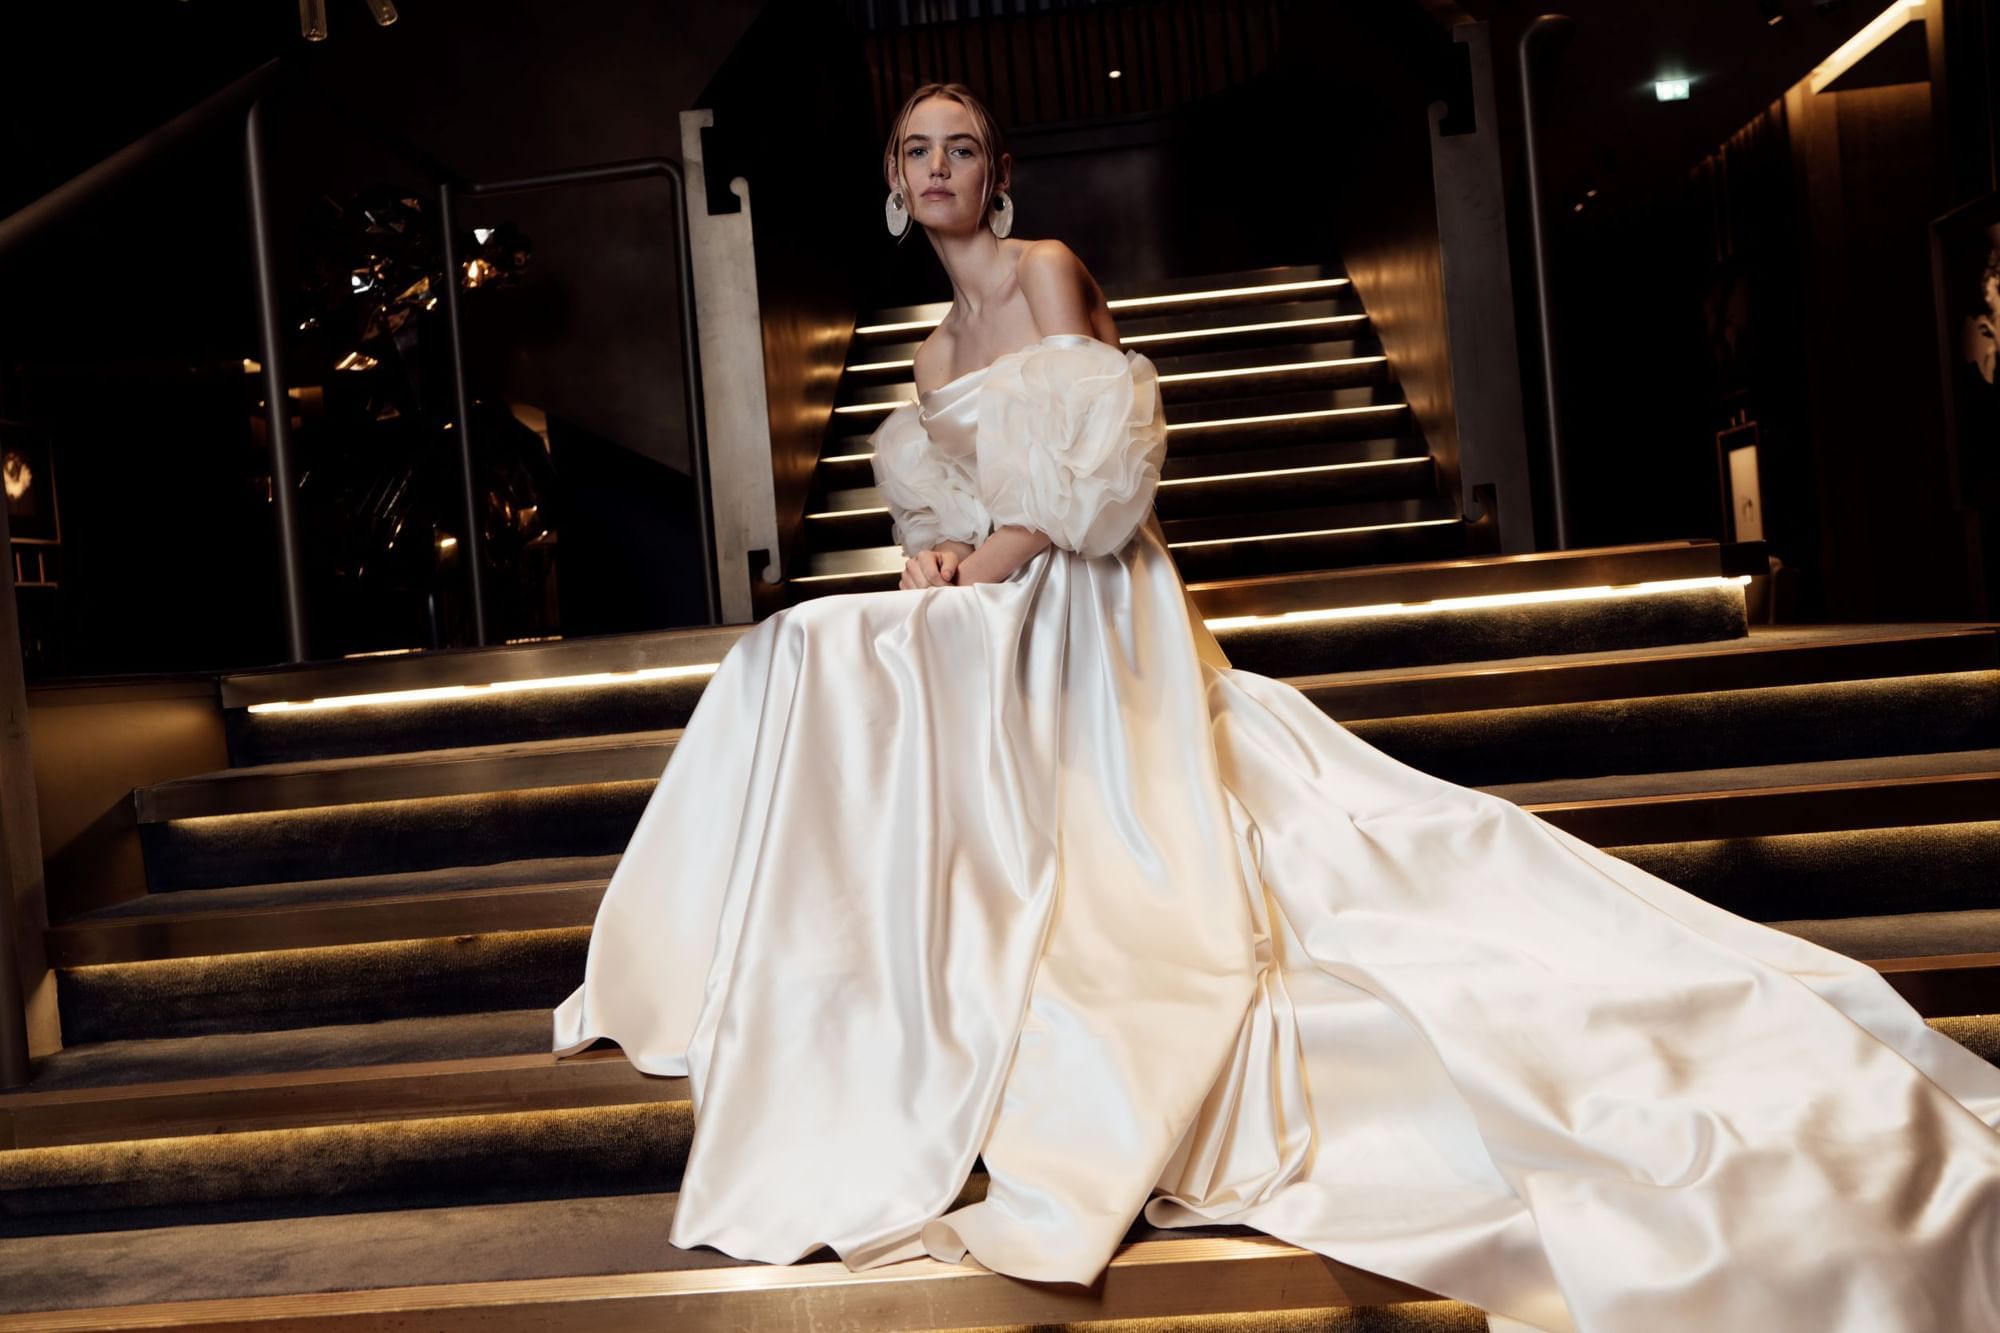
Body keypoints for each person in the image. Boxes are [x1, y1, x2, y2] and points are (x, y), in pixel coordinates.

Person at [553, 82, 2000, 1332]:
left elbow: (1088, 485)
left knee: (874, 667)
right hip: (1000, 598)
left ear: (1000, 174)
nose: (937, 170)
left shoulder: (1050, 269)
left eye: (961, 147)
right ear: (891, 184)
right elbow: (961, 506)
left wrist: (981, 554)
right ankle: (839, 955)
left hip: (1093, 610)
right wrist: (936, 551)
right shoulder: (926, 357)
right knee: (804, 656)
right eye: (914, 151)